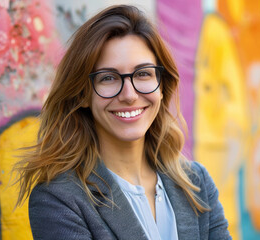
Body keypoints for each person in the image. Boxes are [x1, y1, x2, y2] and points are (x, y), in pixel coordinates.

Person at [15, 4, 231, 240]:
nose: (129, 95)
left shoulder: (197, 184)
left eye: (143, 74)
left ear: (161, 87)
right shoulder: (59, 199)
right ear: (83, 94)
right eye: (108, 78)